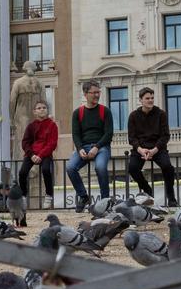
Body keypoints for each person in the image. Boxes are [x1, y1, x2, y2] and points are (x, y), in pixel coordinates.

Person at [126, 87, 178, 207]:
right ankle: (147, 190)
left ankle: (171, 197)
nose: (150, 100)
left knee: (168, 167)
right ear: (141, 100)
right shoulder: (133, 116)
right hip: (140, 149)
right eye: (147, 98)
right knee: (132, 168)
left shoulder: (161, 114)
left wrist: (154, 150)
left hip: (157, 148)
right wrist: (140, 150)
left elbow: (165, 136)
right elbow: (131, 138)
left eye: (152, 98)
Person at [67, 80, 113, 212]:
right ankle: (83, 196)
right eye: (94, 93)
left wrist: (96, 147)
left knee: (100, 167)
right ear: (85, 94)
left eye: (98, 92)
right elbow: (76, 134)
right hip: (84, 147)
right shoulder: (78, 113)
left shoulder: (105, 111)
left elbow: (109, 134)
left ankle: (105, 200)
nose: (97, 95)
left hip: (101, 147)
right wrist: (80, 148)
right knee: (70, 167)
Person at [18, 99, 59, 209]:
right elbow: (25, 142)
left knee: (46, 170)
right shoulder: (31, 126)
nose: (42, 110)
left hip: (45, 154)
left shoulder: (52, 125)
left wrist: (40, 155)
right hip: (31, 154)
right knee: (22, 172)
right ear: (34, 111)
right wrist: (32, 155)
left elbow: (52, 144)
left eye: (44, 108)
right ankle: (23, 196)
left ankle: (49, 195)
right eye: (39, 108)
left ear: (47, 110)